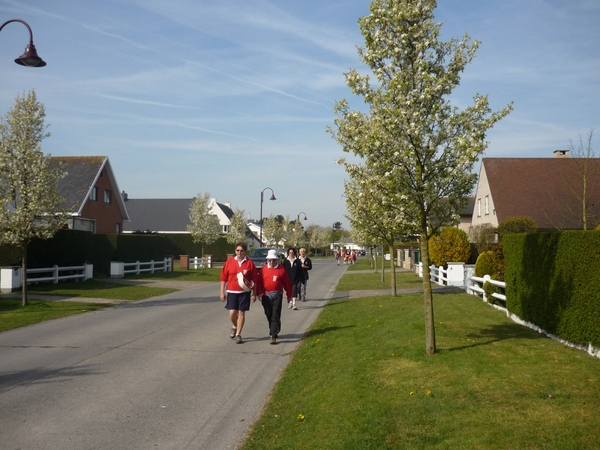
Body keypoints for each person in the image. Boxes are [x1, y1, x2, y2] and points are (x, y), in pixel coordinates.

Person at [219, 242, 258, 344]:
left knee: (241, 313)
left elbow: (255, 279)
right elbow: (223, 278)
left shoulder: (249, 263)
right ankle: (235, 326)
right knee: (232, 312)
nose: (239, 252)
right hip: (231, 291)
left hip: (244, 292)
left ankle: (238, 334)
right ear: (235, 251)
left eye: (242, 251)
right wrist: (222, 292)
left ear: (245, 252)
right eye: (237, 250)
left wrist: (254, 293)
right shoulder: (229, 262)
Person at [256, 249, 292, 345]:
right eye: (270, 260)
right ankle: (275, 328)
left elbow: (287, 283)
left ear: (277, 260)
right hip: (266, 296)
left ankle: (273, 335)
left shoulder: (281, 269)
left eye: (273, 260)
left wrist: (289, 295)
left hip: (277, 295)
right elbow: (259, 282)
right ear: (267, 260)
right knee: (269, 314)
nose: (272, 262)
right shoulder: (264, 269)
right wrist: (258, 292)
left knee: (275, 314)